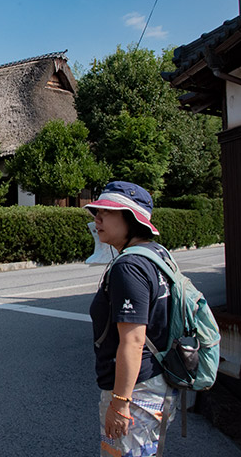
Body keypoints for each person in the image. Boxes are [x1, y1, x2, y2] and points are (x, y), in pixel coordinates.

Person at [87, 181, 179, 457]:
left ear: (131, 218)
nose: (97, 218)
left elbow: (133, 340)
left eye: (107, 212)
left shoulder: (129, 266)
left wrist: (120, 402)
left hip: (136, 393)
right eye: (97, 212)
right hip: (156, 384)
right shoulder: (157, 254)